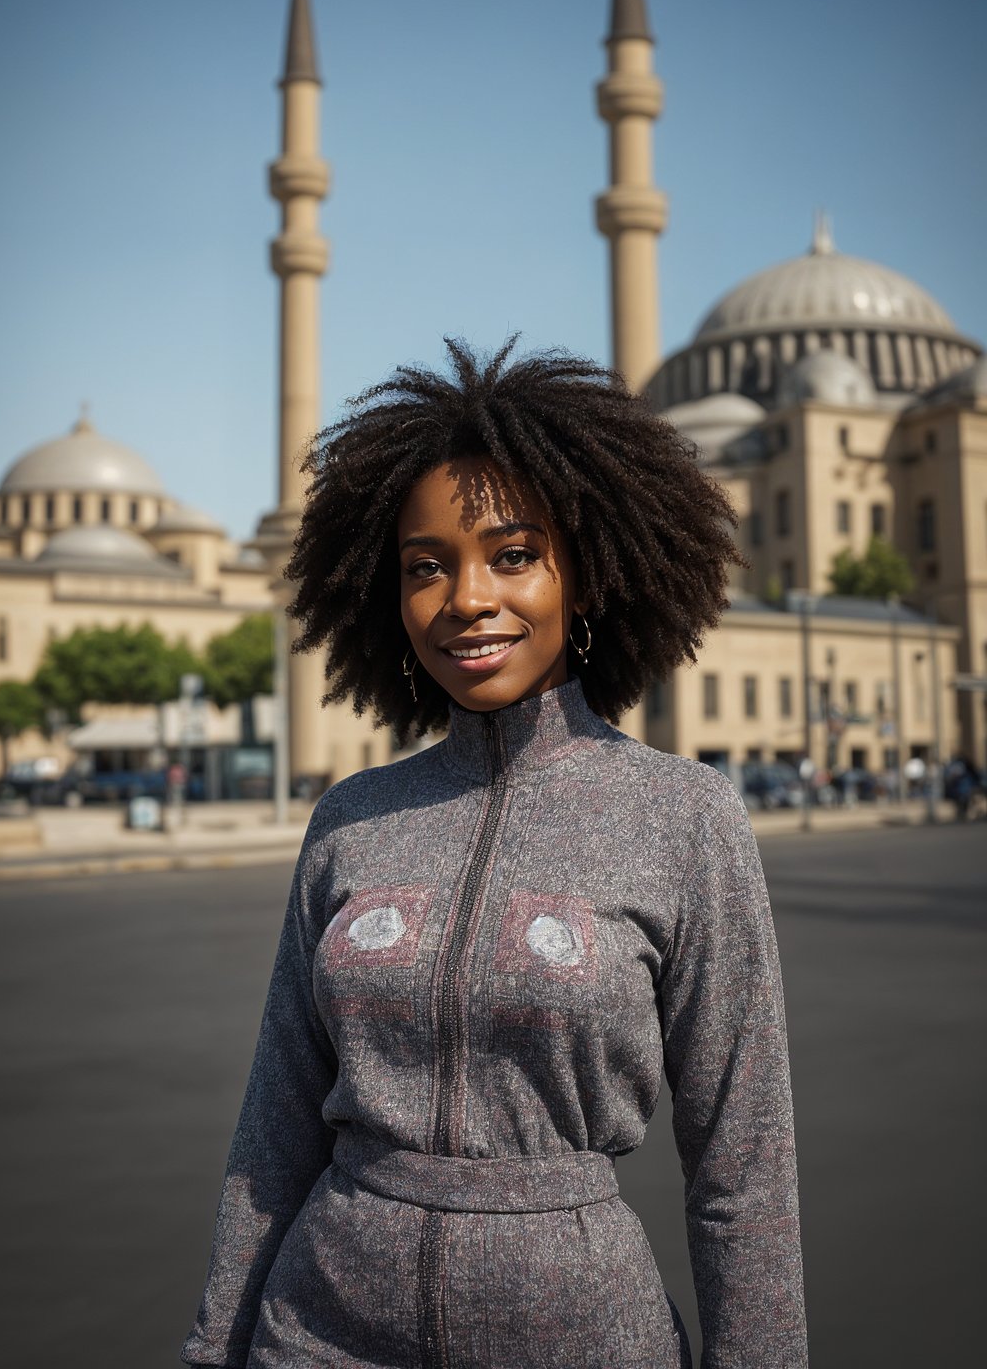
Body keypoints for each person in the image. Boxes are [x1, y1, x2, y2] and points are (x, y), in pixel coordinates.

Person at [181, 338, 808, 1369]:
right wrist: (216, 1347)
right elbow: (275, 1131)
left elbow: (743, 1174)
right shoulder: (352, 818)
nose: (466, 598)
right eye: (426, 566)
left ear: (588, 571)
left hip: (580, 1336)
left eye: (513, 555)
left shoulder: (684, 818)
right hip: (317, 1334)